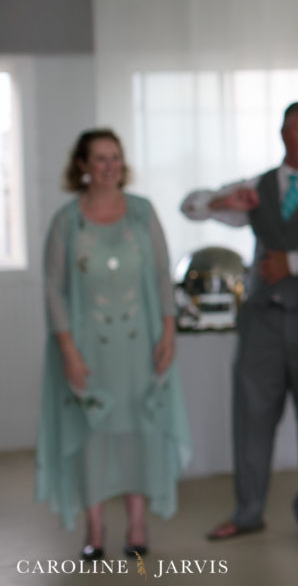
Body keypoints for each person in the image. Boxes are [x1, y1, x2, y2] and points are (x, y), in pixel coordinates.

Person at [181, 102, 298, 545]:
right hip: (262, 322)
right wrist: (224, 201)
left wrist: (295, 263)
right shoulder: (257, 186)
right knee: (252, 417)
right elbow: (191, 207)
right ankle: (247, 511)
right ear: (284, 134)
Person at [37, 129, 192, 560]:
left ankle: (138, 527)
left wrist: (168, 330)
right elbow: (53, 289)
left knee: (138, 432)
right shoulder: (66, 221)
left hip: (139, 345)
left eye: (115, 157)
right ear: (82, 166)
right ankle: (95, 530)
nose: (109, 166)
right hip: (86, 349)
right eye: (100, 159)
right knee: (92, 434)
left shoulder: (142, 213)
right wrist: (68, 350)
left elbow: (163, 275)